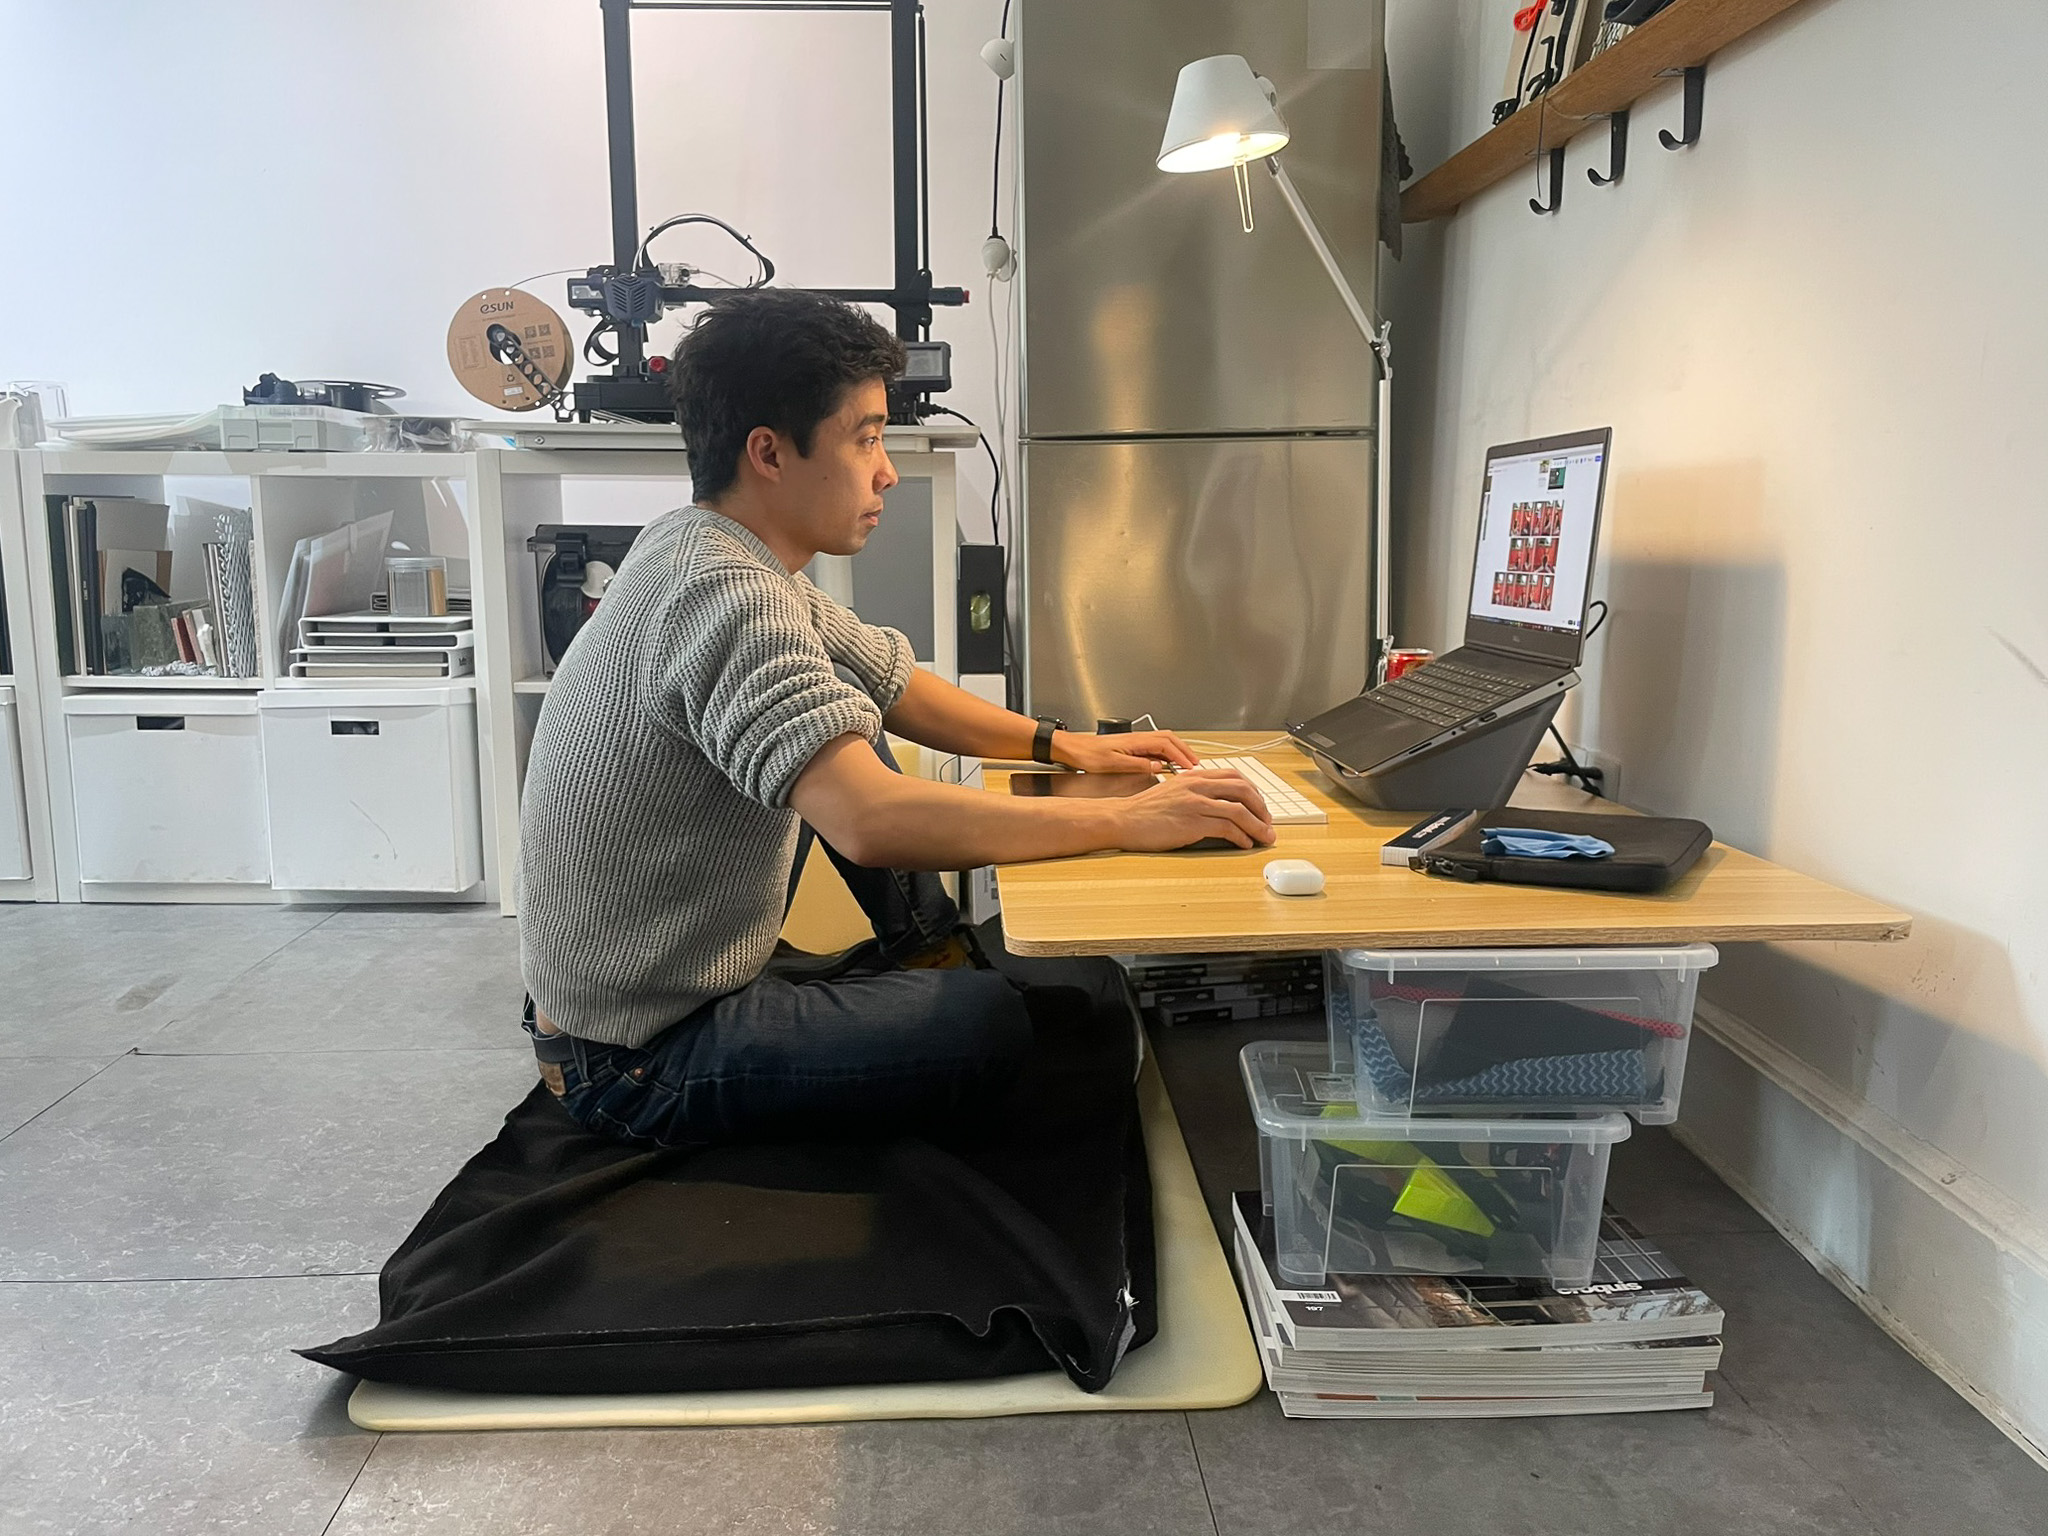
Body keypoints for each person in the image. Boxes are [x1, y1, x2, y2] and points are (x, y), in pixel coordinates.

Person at [518, 289, 1274, 1149]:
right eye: (866, 438)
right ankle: (941, 983)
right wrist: (1121, 820)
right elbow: (870, 821)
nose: (887, 472)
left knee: (849, 706)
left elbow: (893, 681)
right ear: (769, 452)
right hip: (635, 1054)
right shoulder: (724, 591)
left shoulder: (704, 544)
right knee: (1006, 1025)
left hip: (652, 991)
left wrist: (1064, 745)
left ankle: (927, 955)